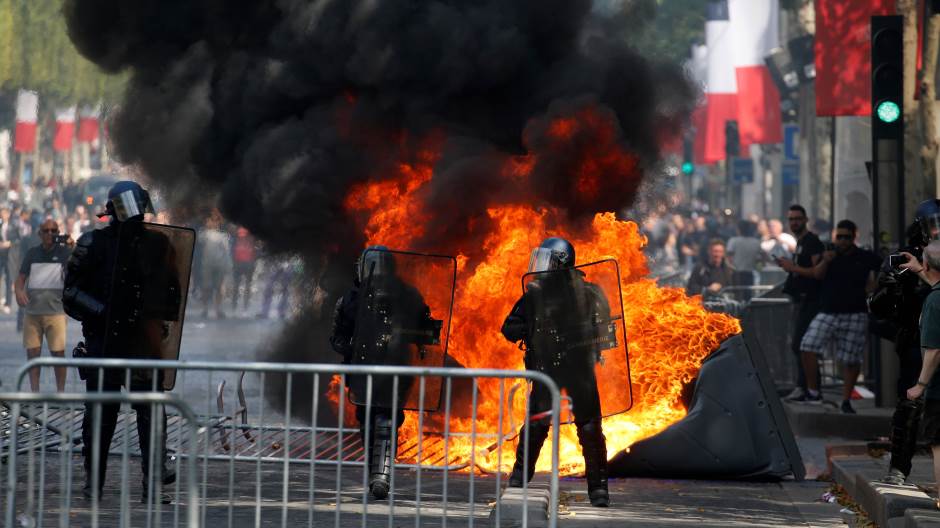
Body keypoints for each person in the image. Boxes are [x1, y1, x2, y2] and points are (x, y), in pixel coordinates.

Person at [63, 181, 185, 503]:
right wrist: (102, 310)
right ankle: (93, 485)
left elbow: (173, 293)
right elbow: (71, 294)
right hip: (104, 342)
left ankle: (153, 486)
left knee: (151, 417)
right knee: (100, 418)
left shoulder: (159, 245)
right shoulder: (93, 244)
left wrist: (156, 316)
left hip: (143, 344)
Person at [501, 237, 612, 508]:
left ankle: (597, 490)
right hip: (552, 369)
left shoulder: (584, 293)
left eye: (546, 260)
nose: (540, 267)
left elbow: (605, 326)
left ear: (560, 263)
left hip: (572, 370)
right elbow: (510, 327)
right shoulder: (539, 294)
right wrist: (531, 331)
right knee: (545, 424)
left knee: (587, 427)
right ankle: (520, 479)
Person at [329, 246, 441, 500]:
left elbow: (424, 328)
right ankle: (375, 474)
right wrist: (352, 348)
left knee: (385, 420)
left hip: (395, 368)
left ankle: (381, 476)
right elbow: (338, 336)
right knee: (367, 420)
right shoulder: (352, 299)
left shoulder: (406, 295)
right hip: (363, 369)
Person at [878, 200, 940, 484]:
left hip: (932, 338)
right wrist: (894, 285)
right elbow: (880, 305)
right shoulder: (908, 256)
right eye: (932, 224)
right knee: (911, 404)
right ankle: (900, 466)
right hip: (917, 339)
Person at [799, 220, 881, 413]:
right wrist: (826, 260)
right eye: (840, 237)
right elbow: (817, 275)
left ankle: (846, 400)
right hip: (829, 311)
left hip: (855, 313)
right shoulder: (830, 254)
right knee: (807, 346)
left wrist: (874, 286)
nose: (843, 241)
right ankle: (813, 392)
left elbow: (883, 266)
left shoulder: (864, 256)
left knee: (851, 359)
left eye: (847, 237)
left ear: (854, 237)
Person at [897, 240, 940, 497]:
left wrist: (920, 385)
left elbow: (935, 350)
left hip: (939, 387)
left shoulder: (934, 302)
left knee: (938, 442)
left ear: (926, 263)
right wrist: (920, 270)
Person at [14, 218, 71, 391]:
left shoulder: (65, 253)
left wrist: (73, 246)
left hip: (56, 312)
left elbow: (80, 267)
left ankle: (60, 391)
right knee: (32, 354)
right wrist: (19, 292)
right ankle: (34, 392)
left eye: (54, 231)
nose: (50, 234)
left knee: (58, 354)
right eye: (46, 231)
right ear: (40, 234)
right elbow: (20, 278)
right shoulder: (32, 253)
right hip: (33, 313)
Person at [776, 204, 825, 402]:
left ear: (805, 220)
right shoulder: (800, 242)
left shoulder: (812, 242)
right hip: (800, 301)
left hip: (811, 301)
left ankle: (809, 388)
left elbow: (817, 273)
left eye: (797, 218)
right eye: (791, 219)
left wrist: (793, 268)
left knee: (802, 345)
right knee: (800, 345)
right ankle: (805, 387)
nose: (794, 222)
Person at [197, 214, 231, 319]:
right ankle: (205, 309)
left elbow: (226, 251)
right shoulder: (204, 234)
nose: (213, 222)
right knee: (206, 287)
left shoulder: (223, 236)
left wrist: (228, 265)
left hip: (219, 265)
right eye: (211, 221)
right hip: (207, 264)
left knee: (219, 288)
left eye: (215, 221)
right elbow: (199, 240)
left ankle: (218, 309)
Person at [0, 206, 19, 314]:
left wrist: (10, 243)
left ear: (8, 214)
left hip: (10, 255)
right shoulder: (0, 225)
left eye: (4, 213)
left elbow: (18, 239)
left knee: (8, 280)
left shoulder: (13, 226)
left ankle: (8, 303)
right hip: (0, 255)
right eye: (1, 214)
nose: (2, 215)